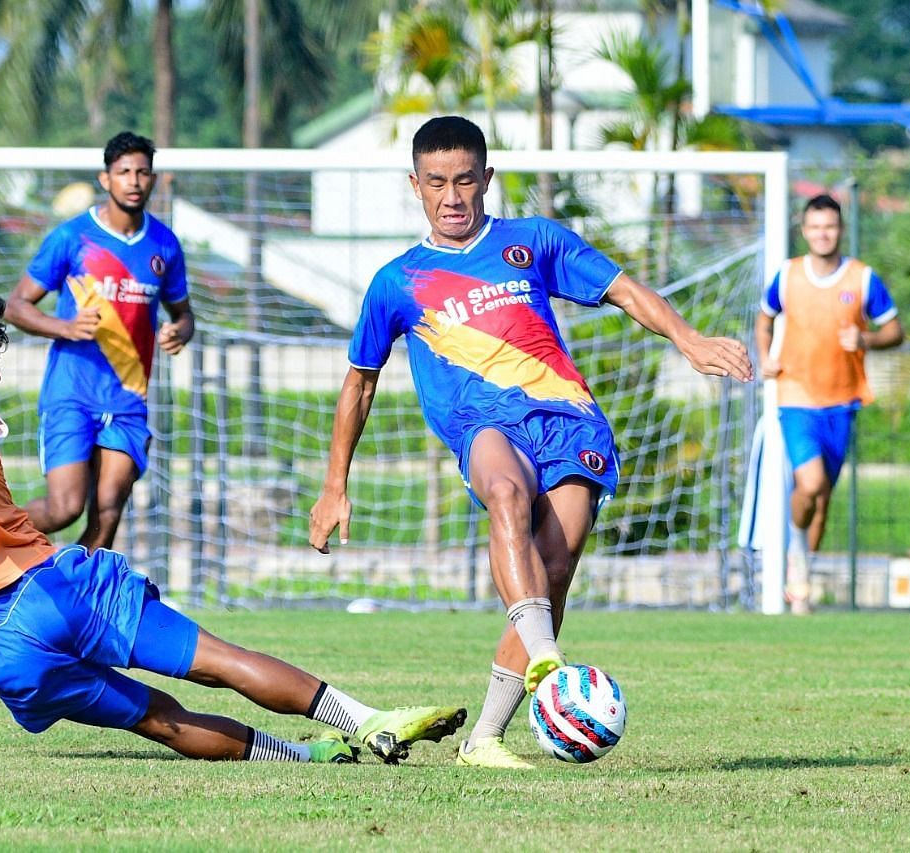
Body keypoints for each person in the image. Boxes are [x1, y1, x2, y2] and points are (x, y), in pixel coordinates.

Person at [0, 286, 466, 765]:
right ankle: (369, 718)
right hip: (51, 590)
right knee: (220, 660)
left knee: (158, 719)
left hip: (0, 646)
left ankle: (307, 760)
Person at [308, 116, 752, 769]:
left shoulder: (532, 241)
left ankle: (484, 738)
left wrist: (689, 339)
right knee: (506, 494)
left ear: (487, 179)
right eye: (436, 182)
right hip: (483, 424)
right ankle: (548, 665)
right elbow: (360, 385)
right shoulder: (397, 281)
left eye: (465, 180)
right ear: (415, 185)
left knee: (555, 569)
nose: (452, 196)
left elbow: (622, 289)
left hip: (571, 422)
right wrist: (334, 485)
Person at [4, 131, 192, 551]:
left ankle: (79, 605)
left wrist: (180, 331)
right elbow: (16, 306)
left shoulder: (165, 245)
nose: (134, 180)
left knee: (108, 513)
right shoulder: (73, 238)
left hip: (127, 401)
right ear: (105, 179)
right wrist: (64, 327)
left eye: (143, 172)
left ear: (154, 179)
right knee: (64, 508)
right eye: (124, 171)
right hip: (72, 394)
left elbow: (184, 314)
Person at [755, 193, 903, 615]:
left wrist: (867, 339)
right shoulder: (787, 276)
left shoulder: (862, 279)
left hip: (844, 401)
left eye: (830, 226)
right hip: (796, 396)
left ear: (840, 230)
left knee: (822, 499)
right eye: (815, 226)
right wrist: (765, 355)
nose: (823, 233)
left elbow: (895, 330)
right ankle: (796, 558)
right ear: (804, 230)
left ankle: (801, 579)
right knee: (812, 482)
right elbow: (764, 319)